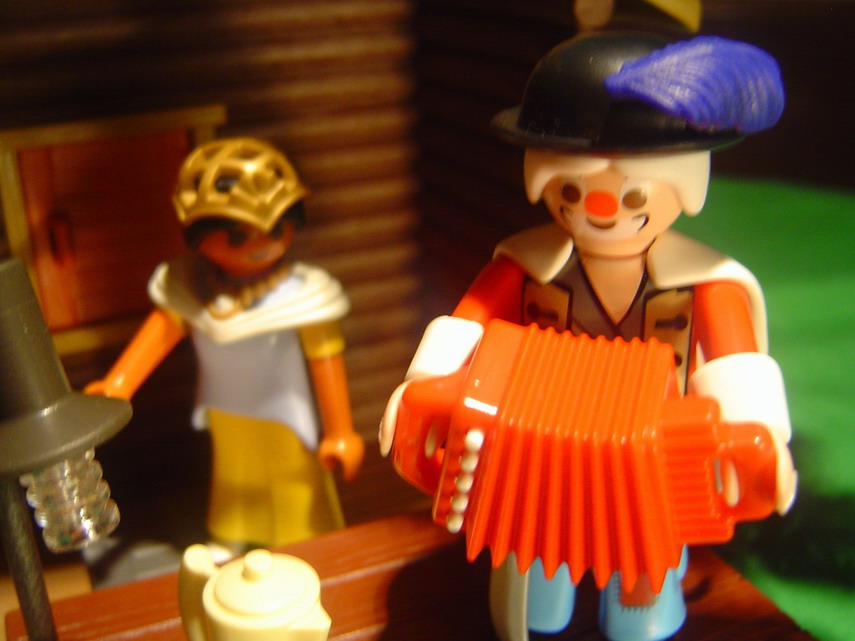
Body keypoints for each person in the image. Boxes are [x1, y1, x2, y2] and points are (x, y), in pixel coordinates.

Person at [381, 32, 796, 641]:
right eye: (571, 191)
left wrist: (763, 436)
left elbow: (737, 362)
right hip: (533, 448)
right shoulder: (525, 266)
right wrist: (421, 388)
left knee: (641, 584)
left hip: (657, 454)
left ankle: (640, 613)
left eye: (634, 196)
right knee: (533, 580)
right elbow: (467, 324)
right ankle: (541, 610)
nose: (602, 210)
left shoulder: (706, 283)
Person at [87, 137, 363, 549]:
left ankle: (304, 540)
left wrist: (341, 431)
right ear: (199, 236)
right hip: (226, 406)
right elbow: (161, 332)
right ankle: (233, 533)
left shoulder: (306, 295)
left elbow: (326, 359)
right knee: (233, 473)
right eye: (237, 237)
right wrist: (119, 384)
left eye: (276, 229)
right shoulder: (190, 288)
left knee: (293, 475)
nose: (260, 245)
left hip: (284, 411)